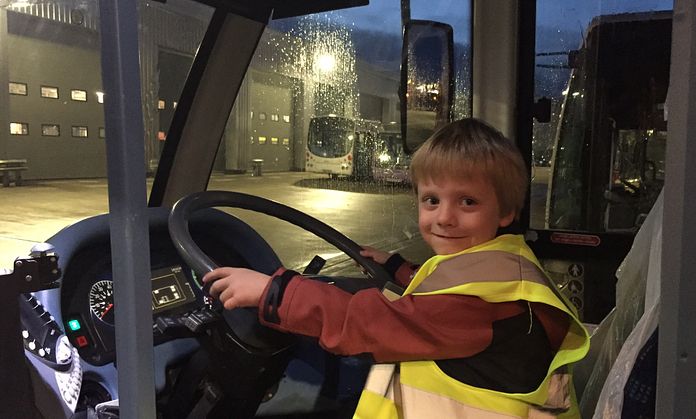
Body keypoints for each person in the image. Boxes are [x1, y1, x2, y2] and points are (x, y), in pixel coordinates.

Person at [203, 118, 590, 418]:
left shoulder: (477, 303)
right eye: (432, 200)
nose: (445, 218)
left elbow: (369, 323)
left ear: (505, 212)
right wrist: (398, 268)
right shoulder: (507, 266)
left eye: (468, 202)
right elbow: (440, 293)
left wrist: (274, 293)